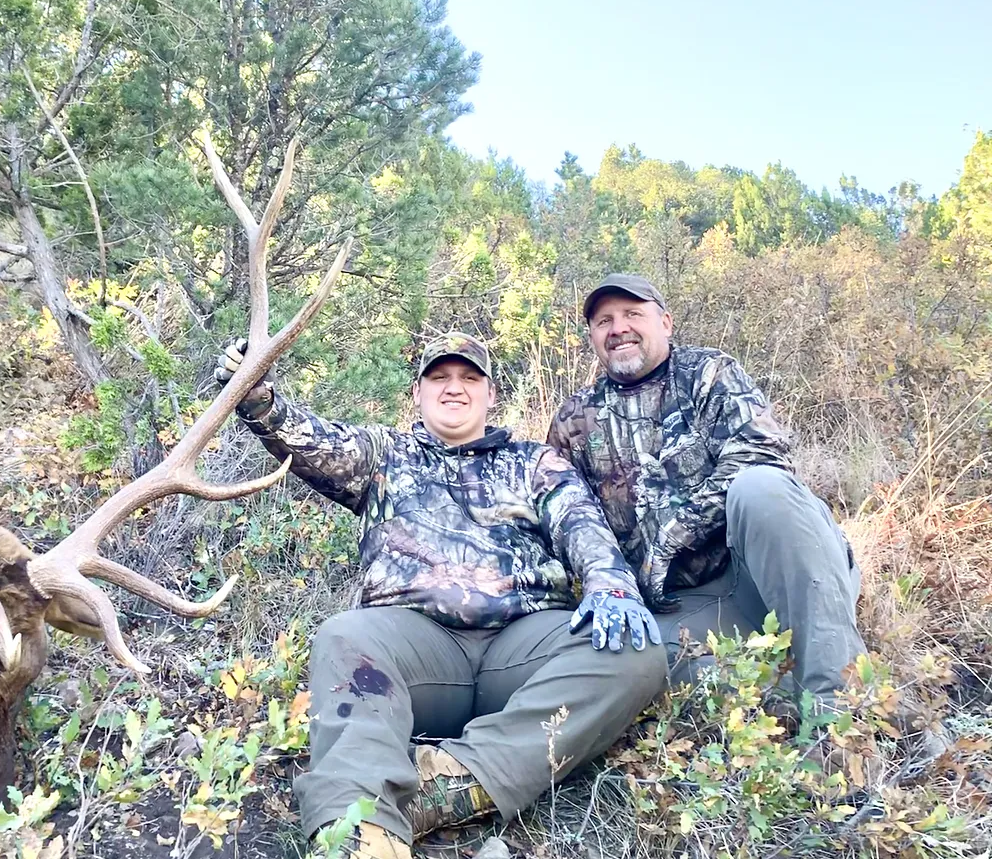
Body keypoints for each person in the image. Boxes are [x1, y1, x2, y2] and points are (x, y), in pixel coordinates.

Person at [215, 331, 665, 859]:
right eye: (439, 377)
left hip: (523, 649)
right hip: (415, 651)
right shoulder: (384, 455)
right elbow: (309, 439)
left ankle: (450, 782)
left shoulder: (535, 463)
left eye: (470, 377)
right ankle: (358, 832)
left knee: (633, 649)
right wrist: (259, 398)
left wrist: (611, 583)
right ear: (417, 393)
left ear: (491, 394)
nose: (455, 387)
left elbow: (582, 526)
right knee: (344, 637)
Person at [547, 273, 866, 714]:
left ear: (665, 323)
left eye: (632, 314)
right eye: (604, 321)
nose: (618, 328)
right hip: (683, 605)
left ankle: (845, 711)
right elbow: (565, 516)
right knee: (633, 658)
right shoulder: (574, 418)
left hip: (763, 574)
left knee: (762, 488)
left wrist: (671, 537)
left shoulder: (709, 373)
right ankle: (777, 702)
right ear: (593, 337)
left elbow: (761, 454)